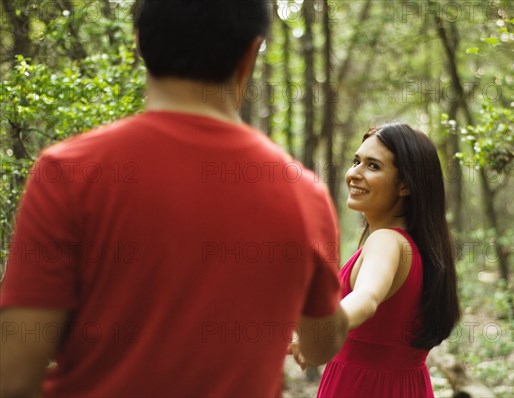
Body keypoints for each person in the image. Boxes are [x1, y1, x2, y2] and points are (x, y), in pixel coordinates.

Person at [0, 1, 348, 397]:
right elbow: (321, 344)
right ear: (251, 53)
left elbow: (14, 376)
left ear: (140, 43)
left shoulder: (69, 172)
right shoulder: (303, 195)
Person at [293, 123, 460, 397]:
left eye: (373, 166)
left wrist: (325, 325)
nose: (354, 174)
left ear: (405, 185)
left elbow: (367, 298)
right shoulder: (420, 245)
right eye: (356, 161)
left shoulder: (385, 241)